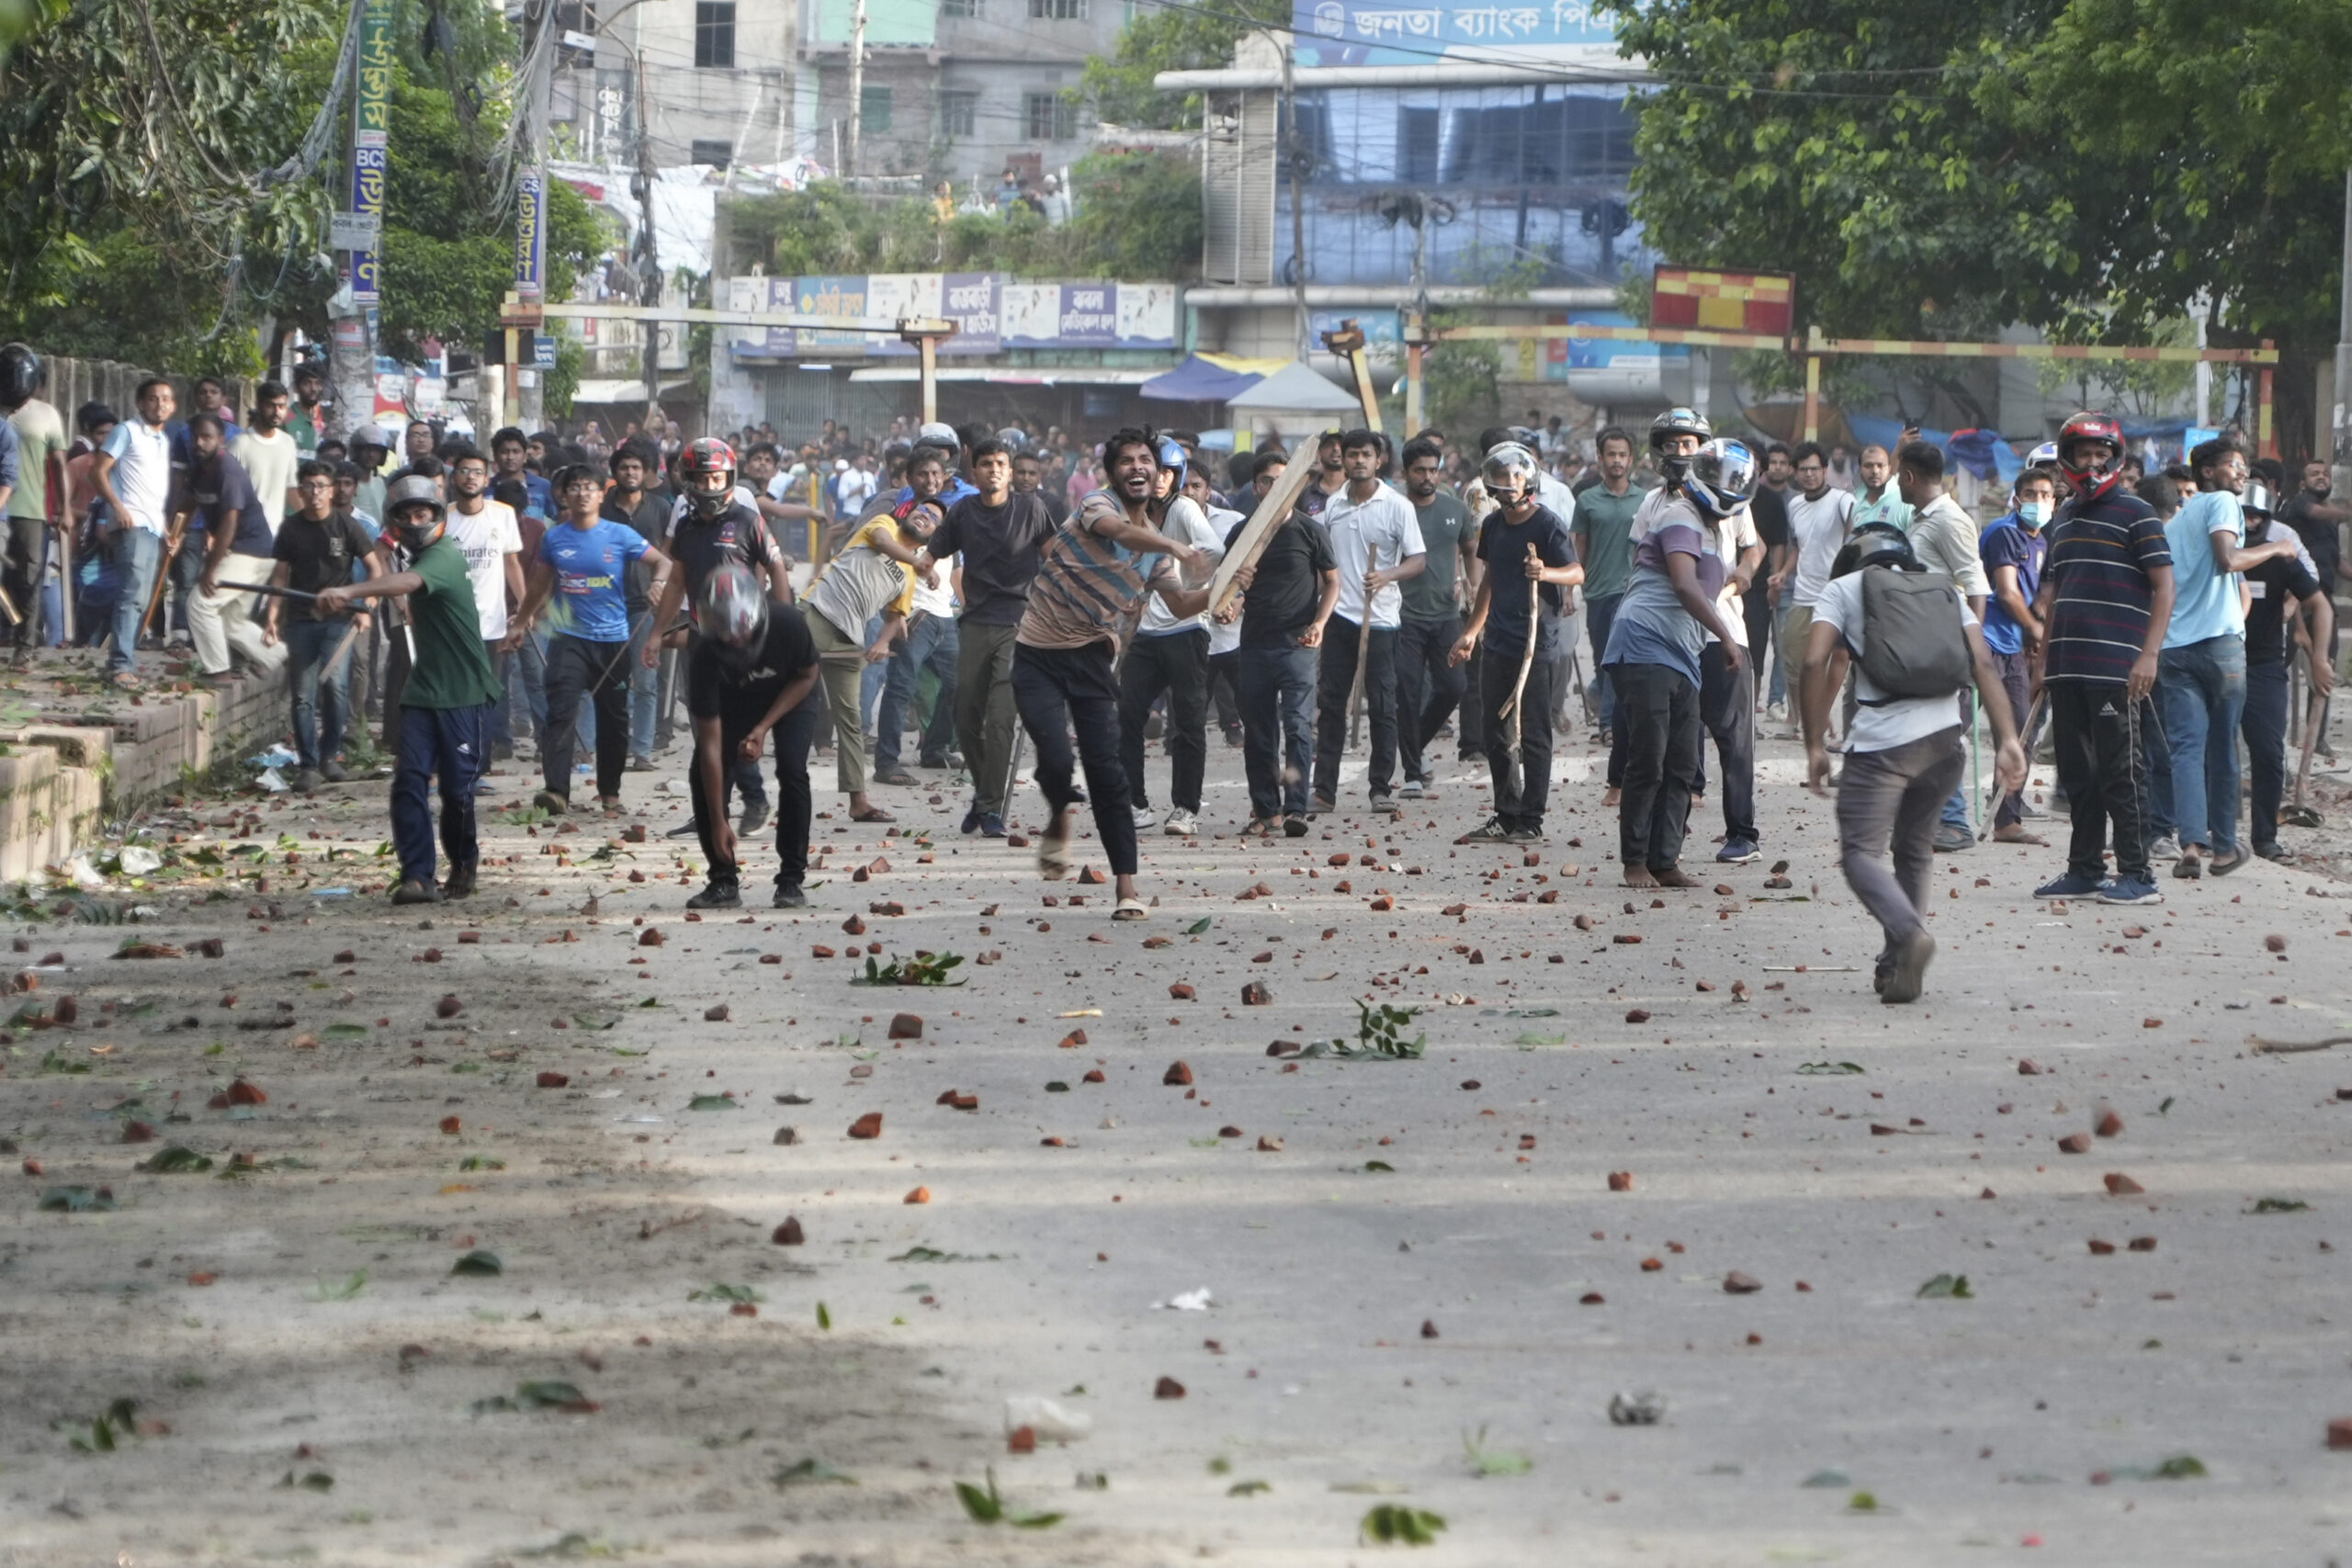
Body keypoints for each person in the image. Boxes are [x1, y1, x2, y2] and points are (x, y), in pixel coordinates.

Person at [1802, 526, 2026, 1003]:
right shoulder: (1944, 589)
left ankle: (1908, 933)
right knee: (1915, 850)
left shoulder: (1843, 589)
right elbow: (1983, 662)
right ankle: (1895, 964)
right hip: (1947, 742)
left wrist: (1814, 743)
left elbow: (1814, 660)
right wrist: (2008, 738)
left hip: (1883, 746)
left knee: (1861, 853)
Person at [1013, 428, 1212, 913]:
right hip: (1036, 655)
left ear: (1161, 475)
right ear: (1112, 472)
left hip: (1093, 662)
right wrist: (1180, 550)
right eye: (1127, 461)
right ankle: (1060, 810)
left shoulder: (1156, 552)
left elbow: (1184, 604)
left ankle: (1127, 887)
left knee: (1109, 774)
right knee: (1057, 761)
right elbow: (1119, 533)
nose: (1137, 467)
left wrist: (1229, 589)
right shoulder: (1097, 506)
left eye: (1146, 460)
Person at [316, 477, 502, 904]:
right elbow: (396, 581)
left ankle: (463, 862)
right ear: (394, 522)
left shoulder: (444, 555)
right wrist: (347, 598)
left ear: (438, 517)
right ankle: (417, 875)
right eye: (405, 515)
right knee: (408, 781)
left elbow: (408, 584)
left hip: (464, 691)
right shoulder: (411, 555)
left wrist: (349, 590)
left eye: (423, 513)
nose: (415, 521)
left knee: (457, 793)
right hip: (423, 691)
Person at [2028, 412, 2175, 905]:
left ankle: (2138, 874)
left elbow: (2164, 586)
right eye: (2083, 455)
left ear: (2115, 459)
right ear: (2067, 460)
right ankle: (2085, 868)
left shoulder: (2138, 514)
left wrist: (2148, 655)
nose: (2092, 464)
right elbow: (2055, 596)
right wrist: (2043, 663)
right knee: (2078, 776)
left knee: (2121, 772)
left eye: (2101, 455)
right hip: (2067, 668)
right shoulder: (2063, 519)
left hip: (2118, 668)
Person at [1596, 440, 1747, 881]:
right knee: (1649, 755)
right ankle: (1635, 860)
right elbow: (1684, 584)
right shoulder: (1678, 514)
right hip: (1644, 643)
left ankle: (1665, 859)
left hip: (1684, 652)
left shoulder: (1718, 528)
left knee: (1682, 761)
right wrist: (1727, 638)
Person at [2154, 437, 2295, 878]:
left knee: (2186, 749)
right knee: (2222, 747)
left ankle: (2191, 845)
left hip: (2176, 646)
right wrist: (2276, 549)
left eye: (2244, 466)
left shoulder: (2175, 522)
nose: (2242, 472)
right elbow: (2229, 559)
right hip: (2219, 645)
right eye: (2235, 465)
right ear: (2209, 472)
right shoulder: (2221, 502)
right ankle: (2223, 847)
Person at [507, 464, 670, 817]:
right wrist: (521, 622)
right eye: (575, 488)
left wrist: (658, 583)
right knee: (561, 711)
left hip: (613, 640)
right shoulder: (554, 537)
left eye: (589, 488)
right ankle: (556, 791)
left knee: (613, 719)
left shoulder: (619, 534)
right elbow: (539, 584)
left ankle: (610, 792)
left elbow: (663, 563)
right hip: (569, 640)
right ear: (564, 496)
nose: (582, 493)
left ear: (601, 495)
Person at [1450, 443, 1582, 846]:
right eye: (1501, 479)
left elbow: (1576, 572)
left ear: (1528, 481)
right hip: (1500, 641)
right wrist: (1472, 631)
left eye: (1515, 478)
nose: (1508, 486)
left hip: (1536, 642)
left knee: (1535, 732)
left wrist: (1546, 573)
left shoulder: (1547, 525)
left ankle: (1531, 817)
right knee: (1496, 728)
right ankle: (1506, 814)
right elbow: (1490, 578)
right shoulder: (1492, 526)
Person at [931, 434, 1057, 837]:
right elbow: (931, 554)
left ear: (1009, 470)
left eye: (1001, 463)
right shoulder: (963, 512)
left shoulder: (1032, 509)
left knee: (1001, 719)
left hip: (1020, 625)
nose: (996, 470)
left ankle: (988, 808)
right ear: (975, 472)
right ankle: (984, 797)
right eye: (987, 464)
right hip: (974, 624)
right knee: (965, 717)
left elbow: (1057, 559)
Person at [682, 563, 823, 910]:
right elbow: (712, 747)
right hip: (735, 702)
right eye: (726, 635)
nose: (736, 642)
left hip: (791, 693)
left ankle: (791, 879)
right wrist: (718, 822)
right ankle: (723, 880)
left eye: (742, 632)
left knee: (792, 770)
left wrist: (762, 729)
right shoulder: (704, 656)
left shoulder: (787, 623)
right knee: (702, 773)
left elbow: (807, 676)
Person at [798, 480, 938, 824]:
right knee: (777, 692)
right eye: (923, 510)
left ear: (932, 537)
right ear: (909, 512)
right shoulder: (884, 525)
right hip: (815, 613)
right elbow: (882, 543)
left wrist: (882, 642)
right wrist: (920, 564)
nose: (925, 515)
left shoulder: (908, 576)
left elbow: (897, 615)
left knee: (850, 721)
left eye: (933, 518)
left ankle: (858, 801)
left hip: (849, 637)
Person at [1305, 429, 1425, 816]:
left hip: (1382, 619)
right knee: (1332, 703)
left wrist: (1387, 575)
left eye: (1366, 455)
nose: (1358, 460)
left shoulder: (1397, 505)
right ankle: (1324, 790)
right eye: (1352, 454)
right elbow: (1323, 562)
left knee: (1383, 705)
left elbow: (1417, 560)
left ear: (1379, 461)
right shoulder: (1332, 507)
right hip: (1339, 617)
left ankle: (1379, 788)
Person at [1116, 436, 1226, 836]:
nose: (1157, 478)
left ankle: (1185, 808)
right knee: (1127, 714)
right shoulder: (1126, 511)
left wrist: (1192, 582)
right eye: (1150, 469)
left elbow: (1213, 550)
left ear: (1176, 476)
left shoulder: (1184, 509)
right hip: (1142, 631)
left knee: (1188, 721)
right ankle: (1135, 802)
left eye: (1165, 472)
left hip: (1186, 629)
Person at [1894, 441, 1993, 852]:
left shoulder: (1949, 520)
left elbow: (1976, 586)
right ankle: (1933, 821)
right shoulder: (1921, 519)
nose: (1897, 481)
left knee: (1938, 736)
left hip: (1945, 649)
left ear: (1910, 477)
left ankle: (1954, 823)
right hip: (1921, 646)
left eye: (1899, 474)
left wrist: (1970, 651)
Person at [262, 460, 384, 791]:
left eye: (321, 486)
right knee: (303, 695)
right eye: (309, 486)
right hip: (300, 620)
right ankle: (308, 763)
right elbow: (280, 577)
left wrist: (367, 605)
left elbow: (376, 570)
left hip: (339, 620)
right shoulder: (290, 529)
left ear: (331, 491)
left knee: (335, 688)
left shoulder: (347, 526)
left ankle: (330, 756)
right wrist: (272, 618)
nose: (315, 493)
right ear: (300, 491)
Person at [872, 449, 964, 785]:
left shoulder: (949, 518)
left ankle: (934, 748)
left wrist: (963, 606)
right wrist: (895, 614)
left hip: (945, 617)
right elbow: (886, 563)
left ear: (944, 477)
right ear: (910, 478)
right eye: (923, 474)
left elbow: (955, 569)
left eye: (936, 474)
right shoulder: (900, 516)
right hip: (914, 615)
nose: (931, 480)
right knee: (900, 687)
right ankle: (887, 763)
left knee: (960, 683)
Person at [1976, 468, 2055, 842]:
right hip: (1986, 641)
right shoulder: (2004, 533)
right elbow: (2007, 593)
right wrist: (2036, 629)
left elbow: (2036, 592)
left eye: (2044, 495)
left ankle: (2006, 819)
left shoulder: (2042, 541)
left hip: (2013, 647)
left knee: (2019, 732)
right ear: (2016, 498)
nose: (2037, 502)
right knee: (1953, 726)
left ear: (2054, 501)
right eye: (2030, 494)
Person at [1395, 436, 1476, 800]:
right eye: (1420, 470)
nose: (1428, 477)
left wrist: (1472, 585)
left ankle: (1414, 744)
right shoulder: (1394, 509)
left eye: (1433, 470)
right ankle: (1413, 771)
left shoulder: (1455, 509)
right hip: (1402, 615)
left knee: (1453, 687)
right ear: (1405, 472)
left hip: (1446, 614)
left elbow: (1470, 548)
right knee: (1408, 693)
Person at [180, 412, 287, 680]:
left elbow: (229, 523)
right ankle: (281, 657)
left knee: (200, 604)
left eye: (207, 437)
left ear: (221, 440)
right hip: (249, 552)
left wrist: (210, 570)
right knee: (231, 622)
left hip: (250, 551)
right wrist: (174, 534)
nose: (199, 443)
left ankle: (218, 671)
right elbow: (190, 504)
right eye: (195, 437)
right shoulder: (199, 470)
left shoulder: (228, 469)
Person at [441, 446, 526, 763]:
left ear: (486, 479)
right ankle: (455, 756)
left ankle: (480, 759)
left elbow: (512, 564)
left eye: (476, 472)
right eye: (464, 471)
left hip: (492, 622)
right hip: (451, 623)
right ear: (454, 478)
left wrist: (524, 608)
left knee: (488, 693)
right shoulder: (442, 519)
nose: (470, 477)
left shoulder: (502, 514)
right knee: (455, 693)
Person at [88, 378, 177, 683]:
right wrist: (117, 507)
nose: (160, 404)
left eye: (166, 399)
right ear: (141, 403)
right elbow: (97, 471)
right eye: (153, 398)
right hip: (132, 523)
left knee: (142, 596)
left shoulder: (163, 441)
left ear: (173, 406)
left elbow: (154, 491)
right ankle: (120, 666)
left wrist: (167, 530)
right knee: (131, 594)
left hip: (153, 525)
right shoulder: (126, 431)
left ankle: (122, 660)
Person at [1770, 443, 1853, 739]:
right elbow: (1799, 547)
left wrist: (1846, 560)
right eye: (1803, 470)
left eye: (1814, 469)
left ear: (1825, 470)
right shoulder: (1795, 506)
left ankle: (1819, 717)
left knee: (1837, 657)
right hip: (1803, 594)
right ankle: (1806, 715)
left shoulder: (1842, 500)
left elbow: (1853, 523)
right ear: (1796, 473)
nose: (1809, 475)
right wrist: (1782, 573)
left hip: (1836, 595)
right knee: (1794, 660)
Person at [600, 442, 672, 771]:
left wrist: (664, 589)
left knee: (645, 680)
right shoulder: (601, 510)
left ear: (646, 473)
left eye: (636, 468)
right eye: (624, 467)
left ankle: (642, 752)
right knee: (607, 680)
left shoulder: (660, 509)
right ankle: (606, 748)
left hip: (645, 606)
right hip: (604, 605)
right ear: (615, 473)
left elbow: (670, 556)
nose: (630, 472)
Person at [1568, 427, 1640, 751]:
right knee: (1603, 660)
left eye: (1622, 455)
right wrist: (1569, 590)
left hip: (1633, 592)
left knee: (1621, 659)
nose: (1616, 460)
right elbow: (1578, 548)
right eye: (1611, 454)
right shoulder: (1587, 500)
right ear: (1600, 459)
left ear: (1631, 460)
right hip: (1597, 591)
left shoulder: (1645, 499)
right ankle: (1608, 707)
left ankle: (1609, 724)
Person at [1, 344, 65, 651]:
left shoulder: (46, 414)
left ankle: (24, 646)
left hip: (29, 508)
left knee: (28, 580)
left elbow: (58, 463)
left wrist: (64, 508)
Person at [1749, 442, 1792, 714]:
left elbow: (1778, 544)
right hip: (1719, 585)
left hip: (1756, 587)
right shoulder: (1718, 496)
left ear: (1761, 467)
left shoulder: (1771, 501)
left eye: (1753, 460)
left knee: (1754, 653)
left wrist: (1774, 580)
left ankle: (1748, 716)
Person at [231, 382, 301, 534]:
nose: (277, 412)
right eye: (271, 405)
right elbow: (227, 493)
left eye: (282, 406)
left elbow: (291, 489)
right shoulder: (239, 444)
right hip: (244, 534)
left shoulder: (287, 443)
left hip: (277, 534)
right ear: (259, 405)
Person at [492, 426, 553, 518]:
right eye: (504, 452)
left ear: (525, 456)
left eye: (516, 452)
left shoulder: (543, 486)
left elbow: (553, 520)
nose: (510, 457)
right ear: (495, 456)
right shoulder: (486, 488)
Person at [1850, 444, 1913, 534]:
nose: (1875, 471)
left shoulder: (1905, 501)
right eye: (1868, 466)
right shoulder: (1854, 501)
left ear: (1889, 468)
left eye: (1880, 466)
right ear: (1859, 469)